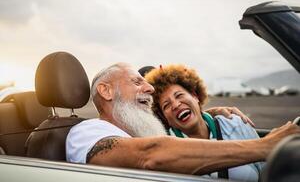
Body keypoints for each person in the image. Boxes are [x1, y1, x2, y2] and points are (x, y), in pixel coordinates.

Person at [66, 62, 300, 176]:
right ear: (106, 91)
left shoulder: (141, 133)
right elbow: (149, 154)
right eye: (137, 82)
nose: (149, 88)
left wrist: (209, 114)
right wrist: (266, 145)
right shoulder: (87, 131)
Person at [145, 64, 263, 181]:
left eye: (179, 95)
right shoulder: (166, 152)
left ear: (195, 96)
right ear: (166, 119)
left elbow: (267, 170)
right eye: (166, 105)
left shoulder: (236, 124)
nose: (175, 105)